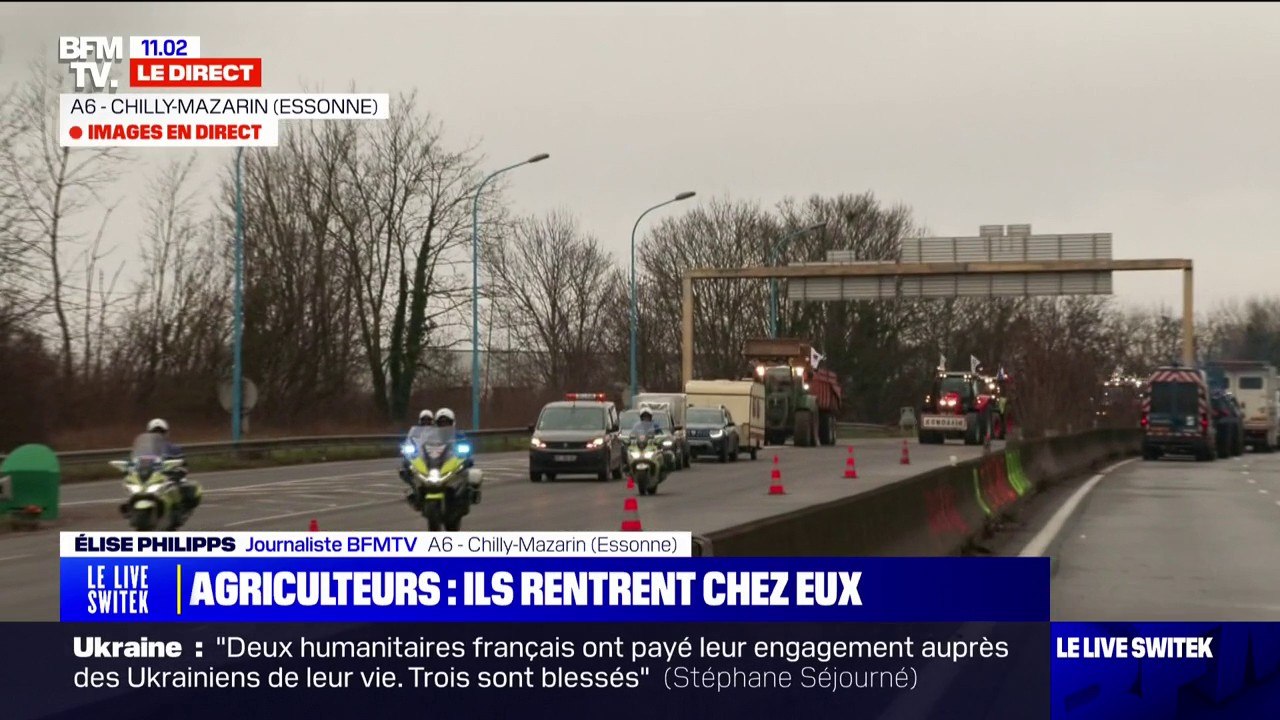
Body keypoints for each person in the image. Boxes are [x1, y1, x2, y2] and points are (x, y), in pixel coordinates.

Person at [130, 418, 200, 512]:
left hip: (169, 478)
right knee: (135, 487)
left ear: (166, 433)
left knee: (181, 489)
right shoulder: (144, 450)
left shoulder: (174, 448)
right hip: (151, 478)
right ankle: (131, 506)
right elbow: (135, 462)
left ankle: (178, 509)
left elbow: (183, 465)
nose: (158, 434)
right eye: (154, 432)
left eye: (161, 432)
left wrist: (177, 473)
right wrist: (130, 468)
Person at [400, 410, 434, 484]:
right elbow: (409, 440)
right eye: (424, 420)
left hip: (432, 456)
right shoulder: (414, 431)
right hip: (418, 456)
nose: (426, 422)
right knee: (406, 462)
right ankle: (411, 479)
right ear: (420, 421)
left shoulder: (436, 431)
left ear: (432, 421)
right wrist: (406, 447)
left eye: (428, 420)